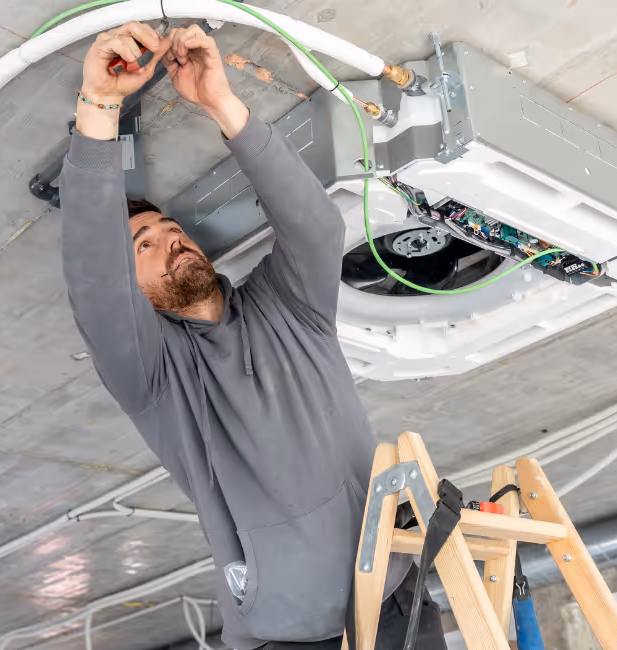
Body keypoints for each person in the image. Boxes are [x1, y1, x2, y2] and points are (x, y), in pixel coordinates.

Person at [61, 21, 445, 650]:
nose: (172, 241)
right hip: (292, 636)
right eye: (145, 246)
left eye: (171, 229)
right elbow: (94, 278)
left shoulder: (289, 307)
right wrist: (100, 107)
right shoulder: (154, 376)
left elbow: (316, 228)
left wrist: (221, 102)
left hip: (395, 600)